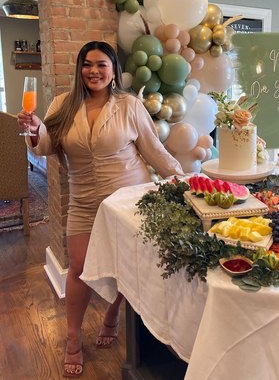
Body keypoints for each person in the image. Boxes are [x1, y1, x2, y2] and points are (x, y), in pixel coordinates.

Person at [17, 41, 184, 378]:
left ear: (112, 72)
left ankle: (111, 317)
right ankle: (73, 337)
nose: (93, 71)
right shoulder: (64, 104)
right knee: (78, 268)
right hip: (83, 201)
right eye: (87, 64)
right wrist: (35, 131)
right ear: (80, 68)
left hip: (127, 200)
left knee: (123, 267)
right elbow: (46, 145)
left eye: (101, 65)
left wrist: (184, 180)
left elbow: (154, 150)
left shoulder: (129, 105)